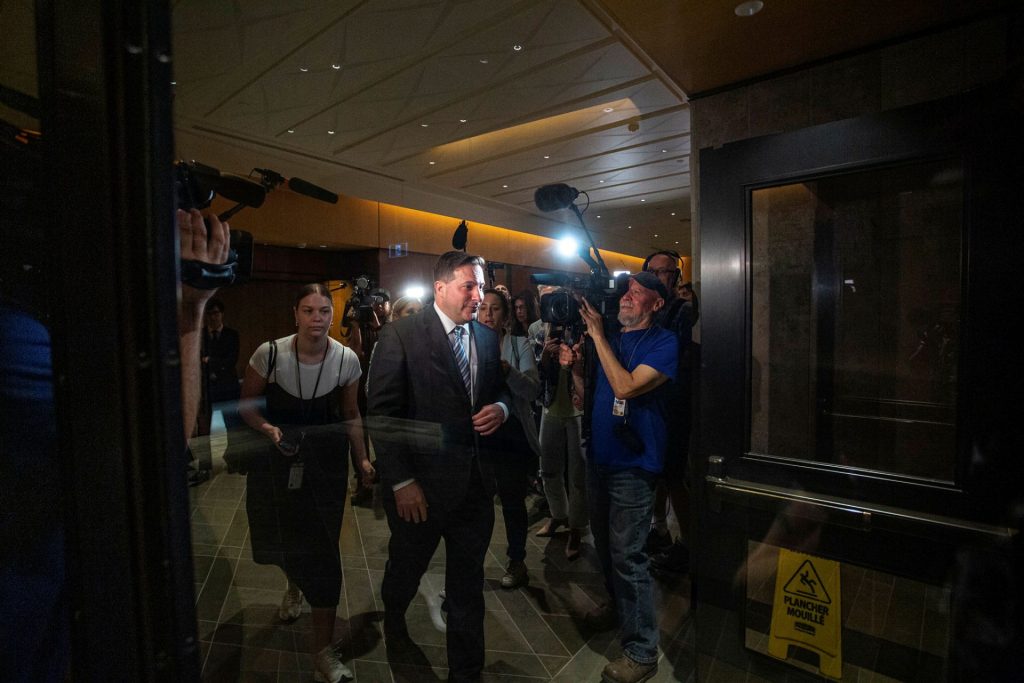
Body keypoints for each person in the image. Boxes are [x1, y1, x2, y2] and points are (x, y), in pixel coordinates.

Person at [366, 250, 511, 682]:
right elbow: (383, 415)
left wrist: (501, 408)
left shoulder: (486, 338)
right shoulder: (400, 335)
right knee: (406, 570)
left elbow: (500, 391)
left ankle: (466, 672)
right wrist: (402, 480)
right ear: (441, 287)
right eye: (470, 286)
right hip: (420, 491)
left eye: (481, 286)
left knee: (467, 587)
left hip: (474, 488)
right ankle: (394, 614)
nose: (478, 295)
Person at [238, 283, 374, 683]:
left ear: (333, 316)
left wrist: (362, 458)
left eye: (324, 311)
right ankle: (294, 584)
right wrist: (269, 430)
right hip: (276, 463)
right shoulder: (271, 353)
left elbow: (351, 412)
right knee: (280, 540)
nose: (317, 318)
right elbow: (247, 405)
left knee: (323, 553)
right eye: (309, 310)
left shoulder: (347, 358)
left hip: (325, 467)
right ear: (294, 314)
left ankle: (322, 652)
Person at [560, 272, 678, 683]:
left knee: (630, 556)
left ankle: (643, 651)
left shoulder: (664, 344)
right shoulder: (609, 338)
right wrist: (575, 368)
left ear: (656, 304)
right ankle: (618, 609)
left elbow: (626, 387)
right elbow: (586, 393)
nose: (626, 297)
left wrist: (596, 336)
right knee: (608, 550)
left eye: (637, 292)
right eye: (626, 291)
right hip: (600, 459)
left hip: (634, 465)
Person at [477, 288, 541, 589]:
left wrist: (508, 371)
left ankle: (517, 561)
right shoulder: (467, 345)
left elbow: (532, 391)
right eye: (482, 308)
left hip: (512, 435)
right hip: (478, 434)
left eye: (495, 309)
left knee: (512, 503)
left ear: (505, 317)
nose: (488, 314)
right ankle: (470, 564)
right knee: (477, 503)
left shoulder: (518, 344)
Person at [641, 251, 695, 575]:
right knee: (659, 474)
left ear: (675, 276)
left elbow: (671, 353)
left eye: (666, 273)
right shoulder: (653, 309)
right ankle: (659, 529)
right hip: (654, 405)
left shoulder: (682, 310)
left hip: (674, 405)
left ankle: (687, 544)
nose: (660, 278)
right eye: (654, 273)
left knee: (674, 477)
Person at [534, 307, 588, 561]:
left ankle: (576, 528)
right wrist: (545, 356)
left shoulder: (583, 329)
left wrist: (577, 357)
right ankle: (558, 516)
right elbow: (537, 375)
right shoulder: (540, 329)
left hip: (577, 410)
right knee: (549, 469)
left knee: (578, 475)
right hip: (550, 407)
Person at [193, 297, 241, 471]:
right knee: (205, 430)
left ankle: (234, 462)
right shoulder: (201, 335)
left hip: (228, 387)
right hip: (206, 389)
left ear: (222, 314)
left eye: (216, 313)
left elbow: (231, 361)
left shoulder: (231, 334)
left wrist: (209, 360)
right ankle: (206, 467)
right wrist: (211, 362)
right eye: (210, 313)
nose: (213, 317)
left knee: (232, 426)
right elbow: (196, 362)